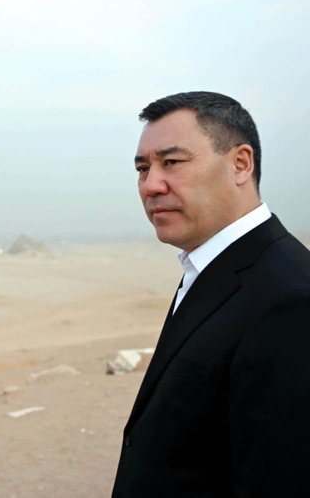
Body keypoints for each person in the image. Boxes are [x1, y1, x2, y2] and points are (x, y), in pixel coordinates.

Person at [112, 91, 310, 497]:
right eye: (143, 168)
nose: (151, 185)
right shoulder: (211, 268)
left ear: (241, 164)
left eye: (172, 162)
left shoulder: (290, 299)